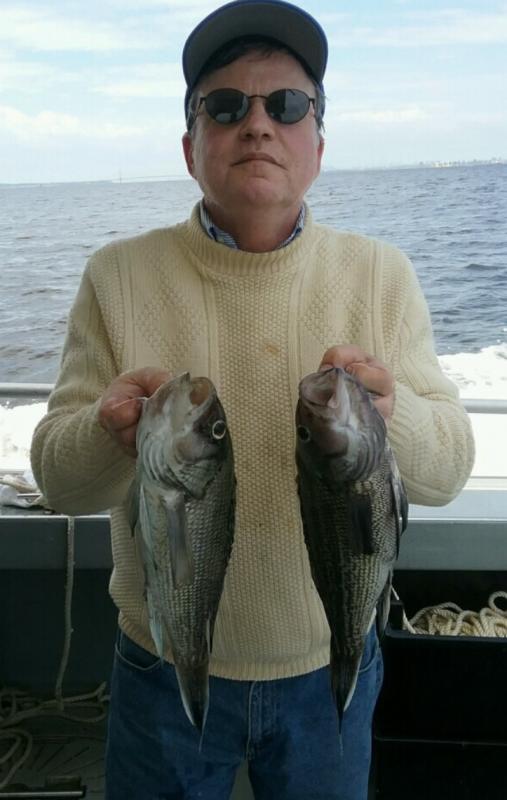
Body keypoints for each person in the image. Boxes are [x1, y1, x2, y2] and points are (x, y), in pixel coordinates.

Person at [31, 1, 475, 798]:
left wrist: (392, 417)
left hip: (331, 660)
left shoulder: (381, 273)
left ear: (318, 146)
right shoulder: (117, 274)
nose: (258, 124)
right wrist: (106, 431)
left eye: (288, 105)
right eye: (226, 106)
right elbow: (62, 484)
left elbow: (444, 475)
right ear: (190, 146)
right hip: (158, 662)